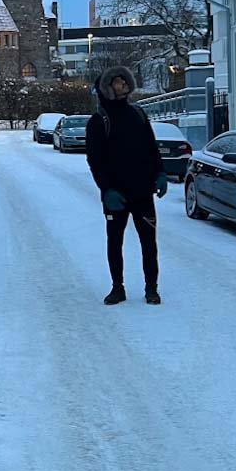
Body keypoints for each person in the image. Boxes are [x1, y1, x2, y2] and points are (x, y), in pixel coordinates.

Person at [86, 66, 169, 306]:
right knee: (115, 242)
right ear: (107, 89)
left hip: (143, 192)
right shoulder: (98, 121)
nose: (123, 84)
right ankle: (117, 288)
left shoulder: (139, 114)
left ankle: (151, 288)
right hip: (116, 195)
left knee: (148, 242)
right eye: (117, 81)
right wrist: (106, 190)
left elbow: (152, 148)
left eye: (124, 80)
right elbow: (95, 161)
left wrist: (160, 173)